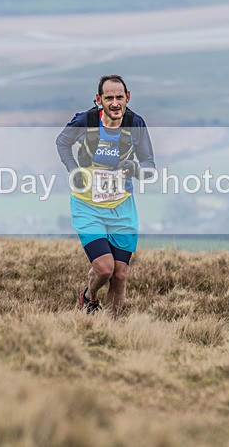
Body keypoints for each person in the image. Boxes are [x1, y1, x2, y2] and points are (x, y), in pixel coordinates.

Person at [55, 75, 155, 315]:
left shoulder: (136, 124)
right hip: (87, 206)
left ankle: (112, 330)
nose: (115, 103)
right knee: (104, 269)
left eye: (119, 97)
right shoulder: (85, 121)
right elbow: (62, 142)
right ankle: (89, 297)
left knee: (120, 274)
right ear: (98, 100)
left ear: (127, 97)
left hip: (122, 209)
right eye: (108, 98)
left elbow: (149, 166)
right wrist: (73, 169)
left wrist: (136, 170)